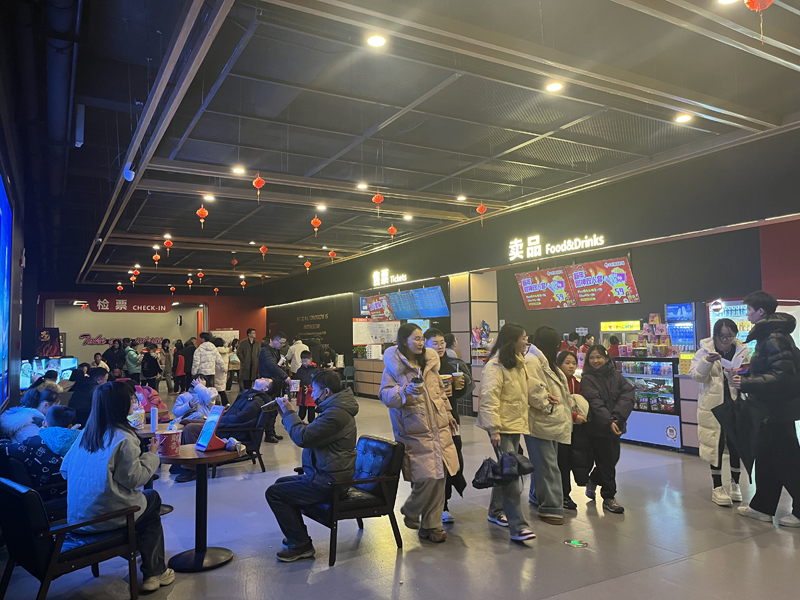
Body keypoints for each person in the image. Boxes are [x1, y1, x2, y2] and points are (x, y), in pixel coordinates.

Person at [60, 382, 174, 592]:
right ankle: (154, 572)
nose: (134, 402)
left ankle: (149, 563)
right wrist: (152, 454)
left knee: (146, 504)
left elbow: (65, 470)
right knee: (152, 500)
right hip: (107, 518)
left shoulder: (85, 434)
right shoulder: (123, 438)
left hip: (78, 517)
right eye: (131, 399)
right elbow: (135, 479)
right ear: (121, 404)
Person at [266, 371, 359, 562]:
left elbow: (303, 438)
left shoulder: (336, 415)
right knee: (280, 484)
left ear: (326, 391)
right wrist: (286, 415)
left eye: (314, 390)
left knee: (275, 493)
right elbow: (310, 433)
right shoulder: (334, 409)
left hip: (330, 481)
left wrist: (289, 413)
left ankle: (301, 545)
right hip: (324, 474)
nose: (312, 393)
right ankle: (298, 536)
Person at [380, 323, 458, 544]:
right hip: (414, 431)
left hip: (438, 427)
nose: (421, 342)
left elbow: (440, 392)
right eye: (416, 338)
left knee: (440, 476)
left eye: (422, 338)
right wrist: (404, 391)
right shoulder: (394, 368)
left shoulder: (430, 364)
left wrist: (449, 413)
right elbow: (385, 395)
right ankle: (412, 509)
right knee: (426, 477)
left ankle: (432, 527)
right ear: (404, 341)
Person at [733, 291, 800, 527]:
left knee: (788, 461)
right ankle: (762, 506)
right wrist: (748, 374)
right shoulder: (771, 335)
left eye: (749, 310)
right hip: (770, 410)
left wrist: (747, 383)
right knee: (767, 458)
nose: (747, 315)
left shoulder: (773, 337)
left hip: (776, 410)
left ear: (760, 311)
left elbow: (783, 376)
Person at [477, 322, 536, 543]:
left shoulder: (518, 363)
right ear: (512, 341)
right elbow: (489, 398)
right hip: (500, 427)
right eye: (523, 337)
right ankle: (518, 527)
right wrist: (494, 429)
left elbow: (522, 392)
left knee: (507, 469)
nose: (527, 341)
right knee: (512, 475)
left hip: (514, 424)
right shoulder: (495, 366)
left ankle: (495, 510)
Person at [689, 318, 751, 506]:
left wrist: (741, 376)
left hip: (735, 404)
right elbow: (697, 376)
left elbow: (749, 373)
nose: (725, 340)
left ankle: (735, 484)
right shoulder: (704, 351)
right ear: (715, 336)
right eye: (721, 336)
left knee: (736, 444)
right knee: (714, 443)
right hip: (713, 406)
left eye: (729, 336)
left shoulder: (742, 351)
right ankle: (717, 487)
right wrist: (706, 362)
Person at [525, 326, 578, 525]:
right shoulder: (533, 361)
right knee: (548, 467)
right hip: (541, 421)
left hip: (550, 420)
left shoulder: (544, 360)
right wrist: (549, 406)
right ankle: (551, 507)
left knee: (544, 464)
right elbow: (534, 392)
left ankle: (537, 496)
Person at [176, 378, 274, 483]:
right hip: (225, 424)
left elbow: (239, 419)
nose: (262, 377)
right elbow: (233, 414)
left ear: (265, 388)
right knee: (185, 422)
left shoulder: (257, 400)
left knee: (190, 428)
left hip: (232, 430)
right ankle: (184, 462)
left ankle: (194, 469)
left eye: (266, 380)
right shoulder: (248, 394)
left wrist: (219, 420)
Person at [580, 344, 635, 514]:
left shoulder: (616, 376)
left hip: (616, 425)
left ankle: (593, 479)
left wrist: (617, 418)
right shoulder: (587, 379)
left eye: (599, 357)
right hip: (598, 428)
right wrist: (608, 421)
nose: (595, 361)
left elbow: (628, 394)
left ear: (606, 358)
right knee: (607, 463)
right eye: (592, 358)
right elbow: (595, 403)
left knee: (612, 459)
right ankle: (609, 497)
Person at [424, 328, 468, 525]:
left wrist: (460, 388)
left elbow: (459, 394)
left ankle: (446, 500)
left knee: (453, 458)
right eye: (435, 343)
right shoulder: (423, 368)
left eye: (442, 342)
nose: (440, 346)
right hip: (431, 422)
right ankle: (440, 506)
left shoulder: (450, 365)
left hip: (450, 418)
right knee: (436, 463)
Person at [555, 351, 590, 511]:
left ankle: (566, 493)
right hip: (560, 427)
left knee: (570, 460)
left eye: (574, 363)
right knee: (561, 462)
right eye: (567, 363)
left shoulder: (576, 382)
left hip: (574, 428)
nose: (571, 366)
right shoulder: (556, 381)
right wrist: (574, 416)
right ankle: (562, 494)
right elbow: (559, 405)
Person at [259, 332, 291, 443]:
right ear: (274, 340)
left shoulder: (276, 351)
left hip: (276, 383)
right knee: (269, 409)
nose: (282, 345)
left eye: (284, 343)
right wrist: (285, 376)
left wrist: (282, 366)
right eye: (281, 343)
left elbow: (276, 366)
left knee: (274, 409)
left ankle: (271, 432)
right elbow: (272, 366)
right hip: (269, 384)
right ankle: (268, 434)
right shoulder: (265, 351)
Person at [295, 351, 319, 423]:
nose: (304, 363)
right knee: (301, 413)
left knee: (311, 413)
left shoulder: (316, 370)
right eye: (302, 361)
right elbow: (297, 381)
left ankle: (311, 426)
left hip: (311, 394)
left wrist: (310, 388)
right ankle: (298, 425)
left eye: (305, 361)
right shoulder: (300, 370)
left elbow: (317, 383)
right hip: (302, 394)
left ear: (311, 360)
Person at [213, 337, 230, 406]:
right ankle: (223, 403)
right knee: (221, 388)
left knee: (217, 389)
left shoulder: (215, 351)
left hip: (216, 371)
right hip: (223, 371)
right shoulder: (226, 352)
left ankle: (224, 402)